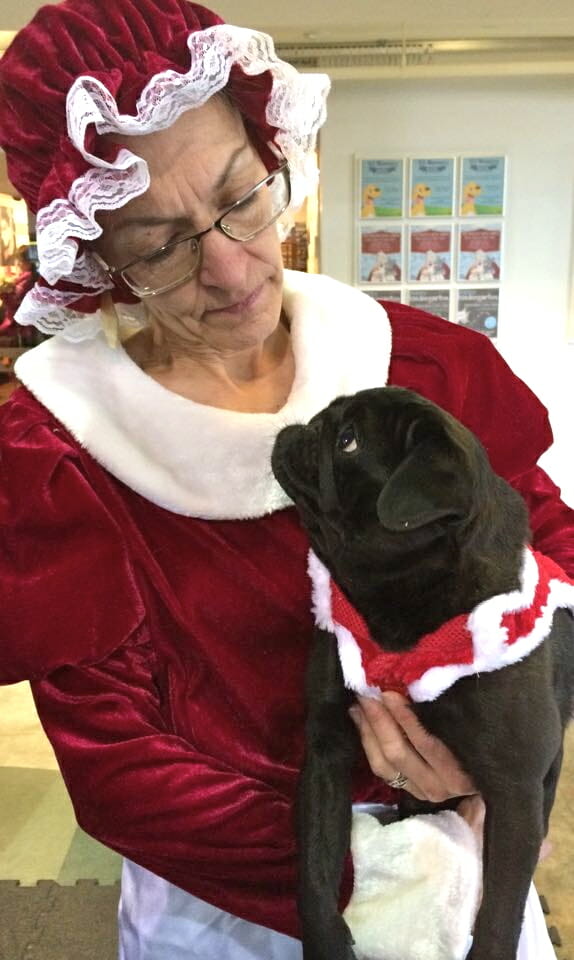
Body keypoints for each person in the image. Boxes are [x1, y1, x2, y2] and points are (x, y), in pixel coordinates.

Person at [0, 2, 572, 958]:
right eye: (158, 243)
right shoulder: (61, 459)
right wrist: (369, 865)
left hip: (469, 861)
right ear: (94, 258)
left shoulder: (419, 368)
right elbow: (121, 766)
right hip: (230, 910)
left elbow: (549, 558)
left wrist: (493, 768)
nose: (230, 267)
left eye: (240, 195)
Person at [0, 245, 39, 342]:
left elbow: (15, 302)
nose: (18, 264)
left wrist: (3, 293)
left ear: (27, 262)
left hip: (19, 326)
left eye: (20, 261)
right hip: (22, 324)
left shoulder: (27, 280)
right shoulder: (28, 277)